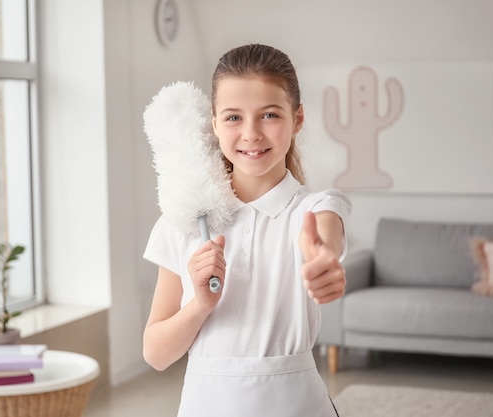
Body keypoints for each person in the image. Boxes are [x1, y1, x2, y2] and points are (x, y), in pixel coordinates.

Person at [143, 44, 352, 417]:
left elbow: (325, 235)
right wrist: (200, 306)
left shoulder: (313, 208)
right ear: (214, 123)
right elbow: (156, 355)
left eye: (269, 115)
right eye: (233, 117)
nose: (251, 133)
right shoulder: (181, 224)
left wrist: (323, 258)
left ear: (297, 119)